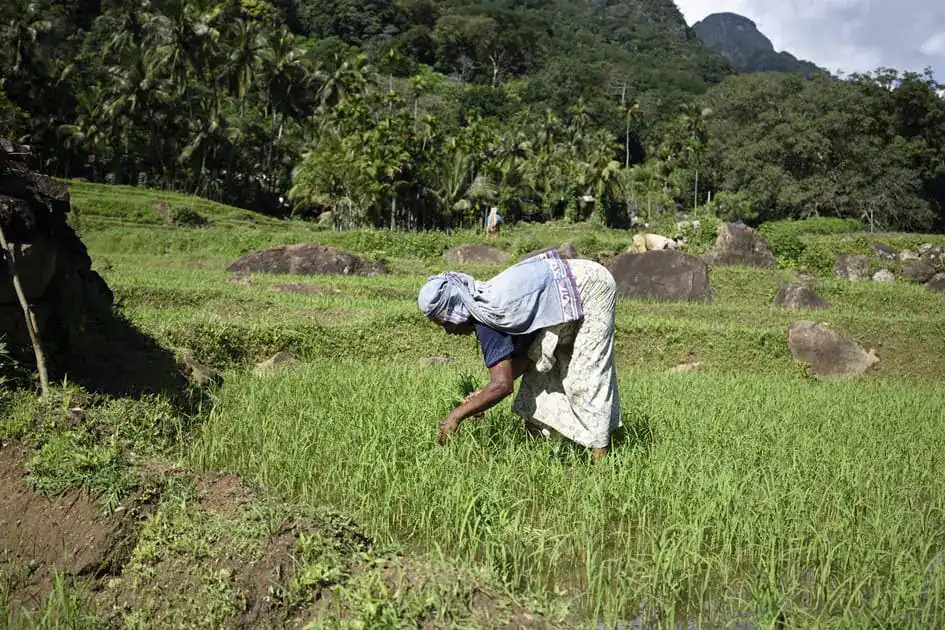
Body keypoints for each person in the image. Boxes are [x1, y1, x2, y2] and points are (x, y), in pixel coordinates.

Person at [416, 250, 622, 462]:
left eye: (445, 323)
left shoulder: (487, 317)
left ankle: (601, 462)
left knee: (586, 375)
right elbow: (526, 360)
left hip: (590, 287)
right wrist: (481, 397)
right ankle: (541, 455)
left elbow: (502, 386)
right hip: (565, 294)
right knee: (538, 379)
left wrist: (455, 416)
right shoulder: (485, 309)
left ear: (455, 312)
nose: (448, 331)